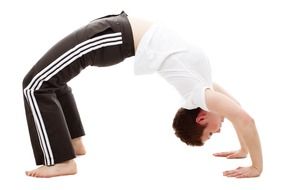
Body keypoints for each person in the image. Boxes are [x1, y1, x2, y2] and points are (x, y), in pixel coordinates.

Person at [22, 11, 263, 178]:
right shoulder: (203, 91)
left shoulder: (201, 92)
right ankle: (71, 147)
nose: (218, 131)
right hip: (114, 33)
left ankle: (63, 160)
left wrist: (248, 155)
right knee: (46, 82)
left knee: (35, 84)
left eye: (211, 134)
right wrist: (253, 163)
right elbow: (241, 113)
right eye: (210, 134)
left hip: (115, 36)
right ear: (201, 118)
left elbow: (240, 116)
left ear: (199, 118)